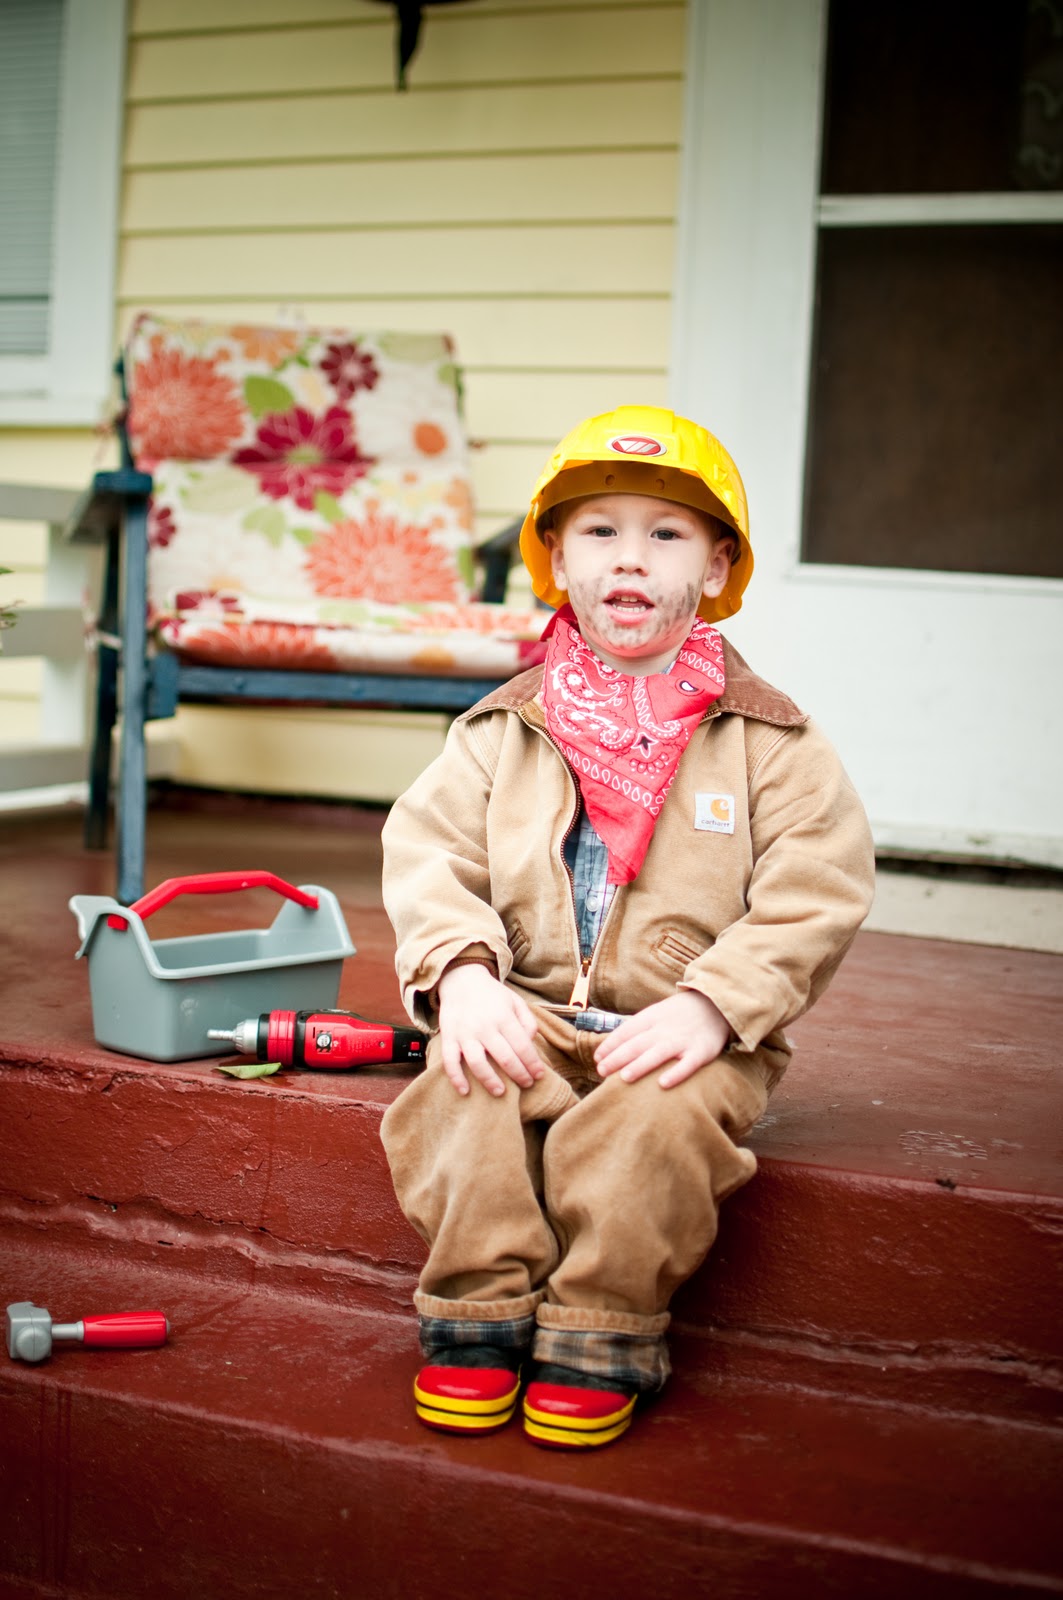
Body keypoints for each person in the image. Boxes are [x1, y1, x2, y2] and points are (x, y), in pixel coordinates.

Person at [379, 405, 875, 1450]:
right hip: (524, 1007)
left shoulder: (769, 738)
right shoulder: (502, 726)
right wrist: (462, 978)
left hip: (683, 1029)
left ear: (716, 563)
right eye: (599, 531)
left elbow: (817, 887)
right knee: (459, 1092)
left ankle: (601, 1326)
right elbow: (429, 853)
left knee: (651, 1128)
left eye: (666, 533)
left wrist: (716, 1005)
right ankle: (478, 1308)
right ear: (557, 559)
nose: (630, 558)